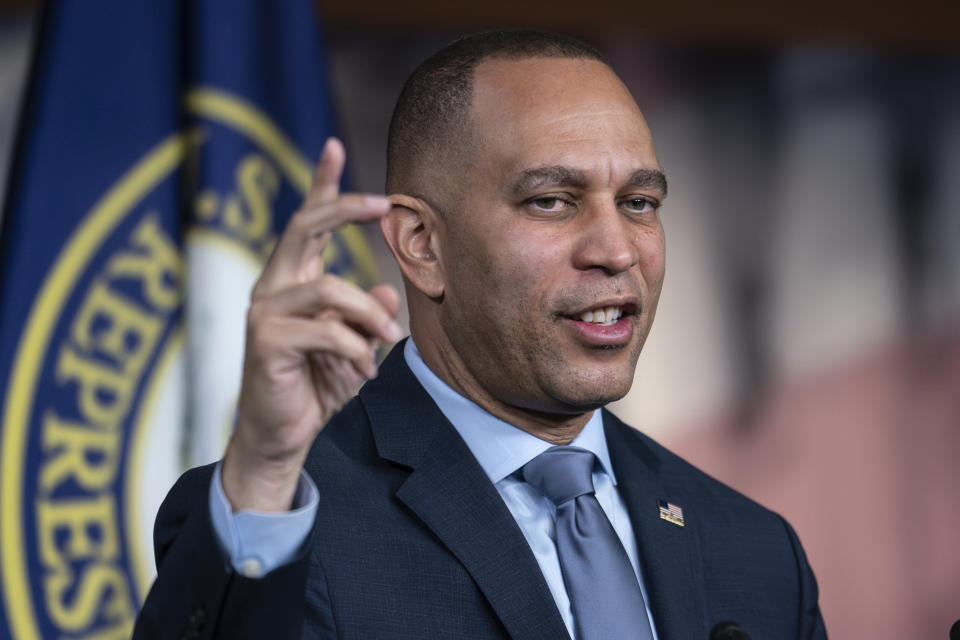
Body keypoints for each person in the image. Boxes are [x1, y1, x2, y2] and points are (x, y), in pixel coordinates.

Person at [133, 31, 827, 639]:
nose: (617, 249)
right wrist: (265, 471)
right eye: (551, 201)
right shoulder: (284, 522)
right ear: (422, 244)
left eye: (639, 203)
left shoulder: (755, 553)